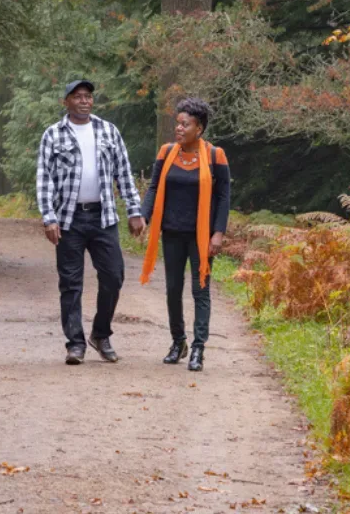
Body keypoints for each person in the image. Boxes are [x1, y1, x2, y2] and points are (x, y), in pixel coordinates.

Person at [36, 80, 147, 365]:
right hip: (68, 219)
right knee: (71, 283)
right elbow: (44, 178)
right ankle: (75, 344)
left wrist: (134, 211)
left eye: (88, 96)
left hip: (103, 217)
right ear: (66, 102)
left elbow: (124, 173)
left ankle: (100, 334)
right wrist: (49, 218)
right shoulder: (53, 134)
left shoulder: (108, 131)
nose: (84, 101)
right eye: (78, 97)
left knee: (114, 276)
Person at [139, 98, 231, 372]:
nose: (178, 128)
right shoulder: (167, 152)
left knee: (200, 290)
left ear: (199, 128)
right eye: (177, 123)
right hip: (171, 232)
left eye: (185, 124)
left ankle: (199, 348)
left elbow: (223, 197)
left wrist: (218, 233)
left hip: (201, 236)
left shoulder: (215, 156)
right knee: (172, 290)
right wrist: (143, 216)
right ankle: (178, 342)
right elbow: (154, 187)